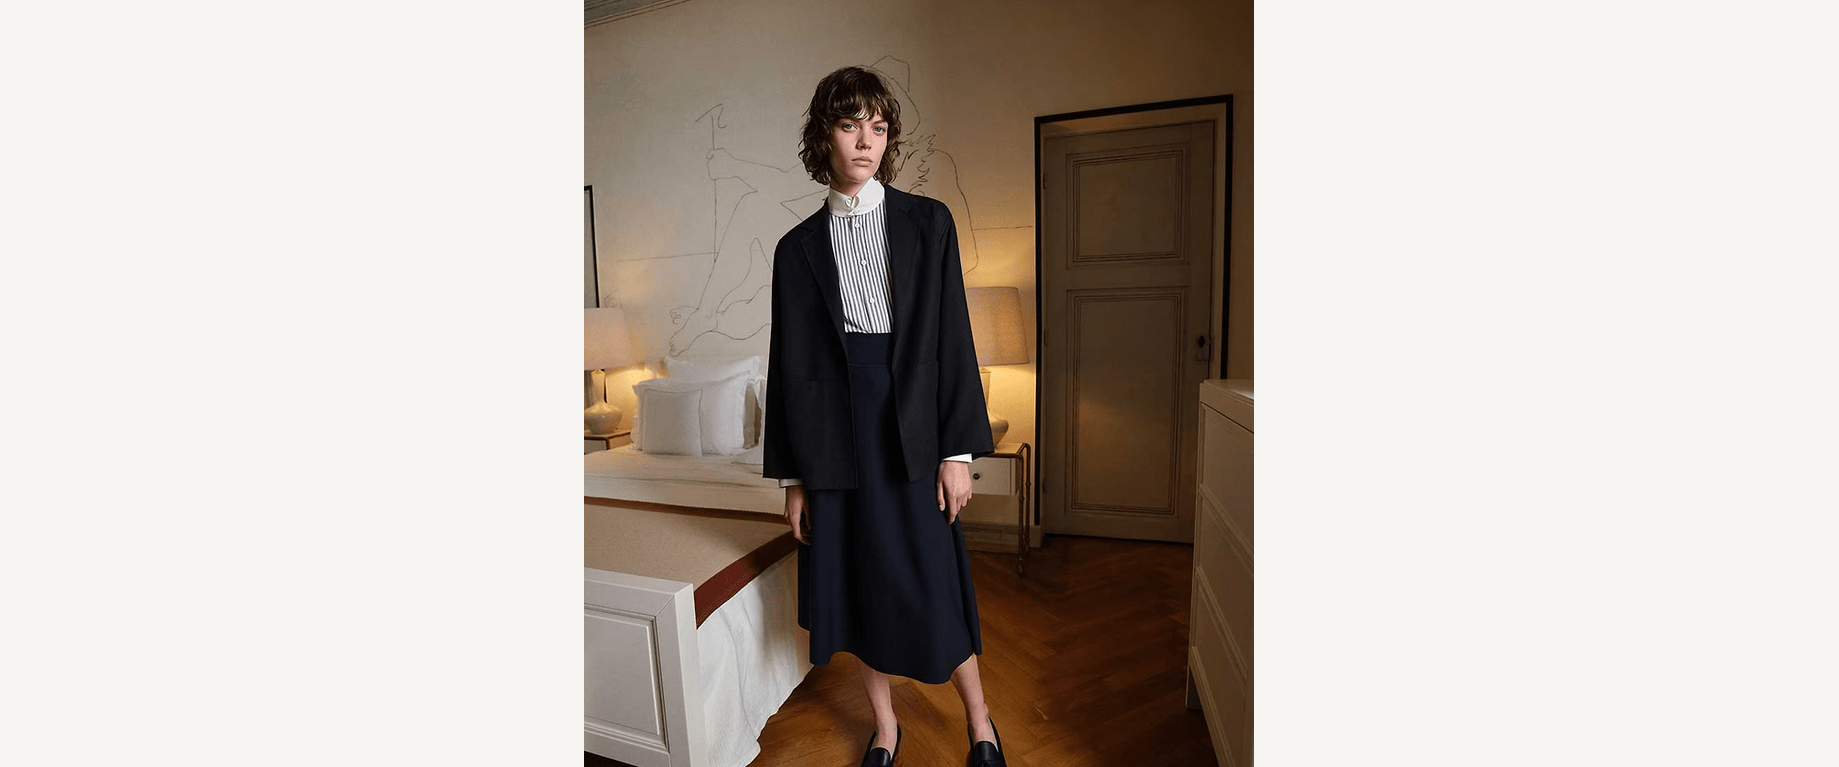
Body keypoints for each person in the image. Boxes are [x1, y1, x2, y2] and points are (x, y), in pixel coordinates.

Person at [761, 65, 1005, 767]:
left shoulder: (929, 222)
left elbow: (951, 339)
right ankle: (886, 728)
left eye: (877, 126)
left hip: (914, 430)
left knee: (933, 580)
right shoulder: (795, 250)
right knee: (860, 588)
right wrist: (795, 479)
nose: (865, 141)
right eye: (849, 126)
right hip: (833, 442)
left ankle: (981, 723)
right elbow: (791, 369)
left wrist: (956, 453)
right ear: (824, 137)